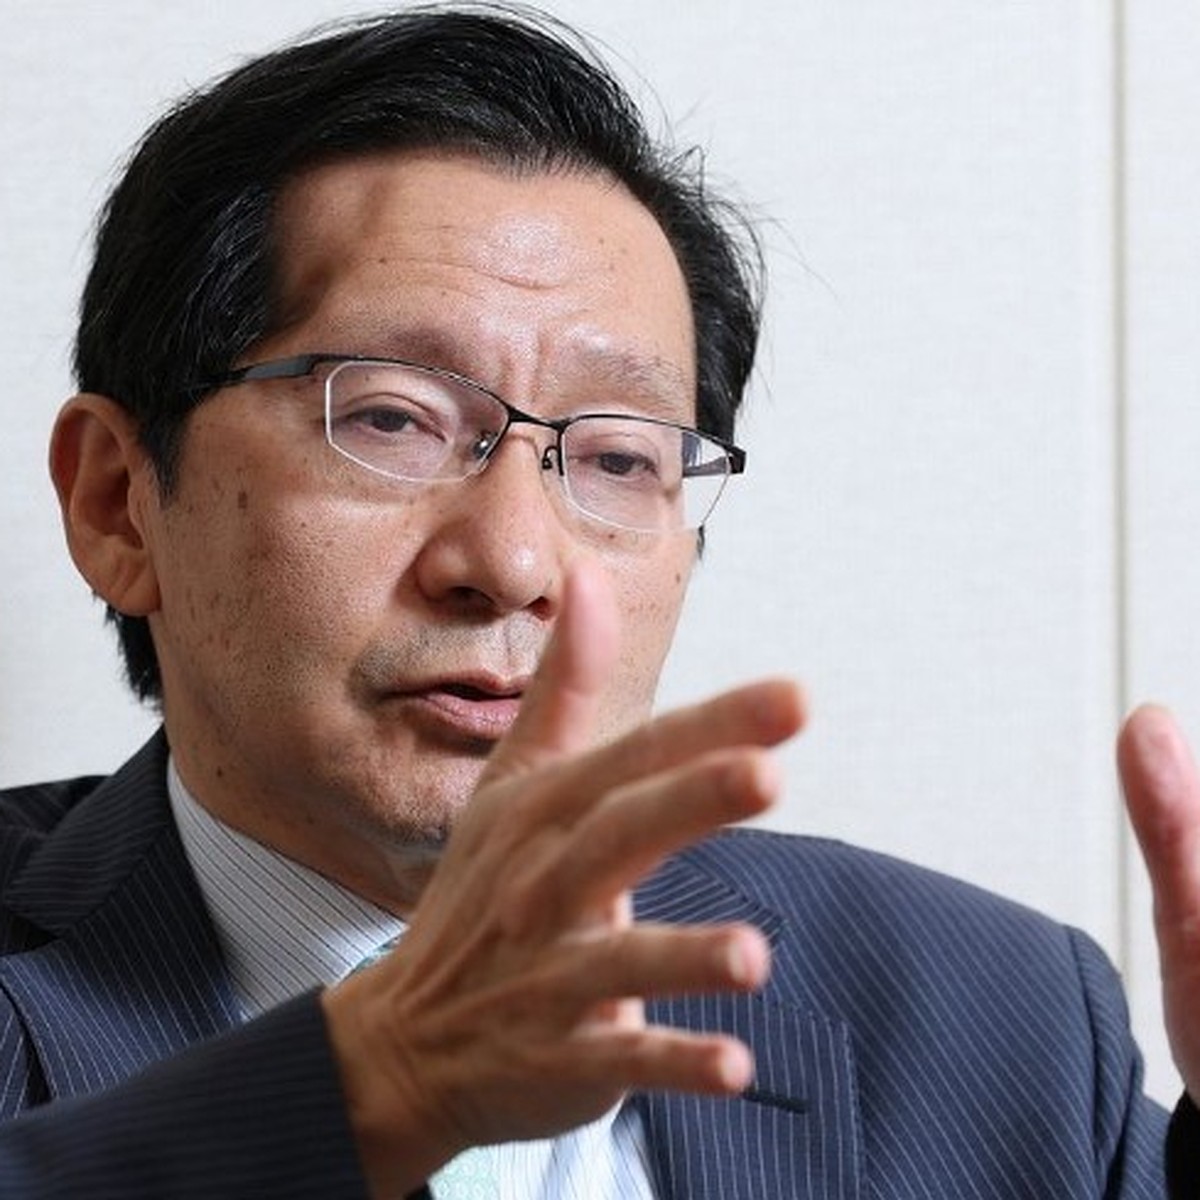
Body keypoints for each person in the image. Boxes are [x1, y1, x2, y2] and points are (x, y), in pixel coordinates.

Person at [0, 6, 1197, 1197]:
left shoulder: (1001, 1023)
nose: (515, 559)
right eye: (393, 419)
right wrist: (366, 1088)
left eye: (619, 456)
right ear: (118, 505)